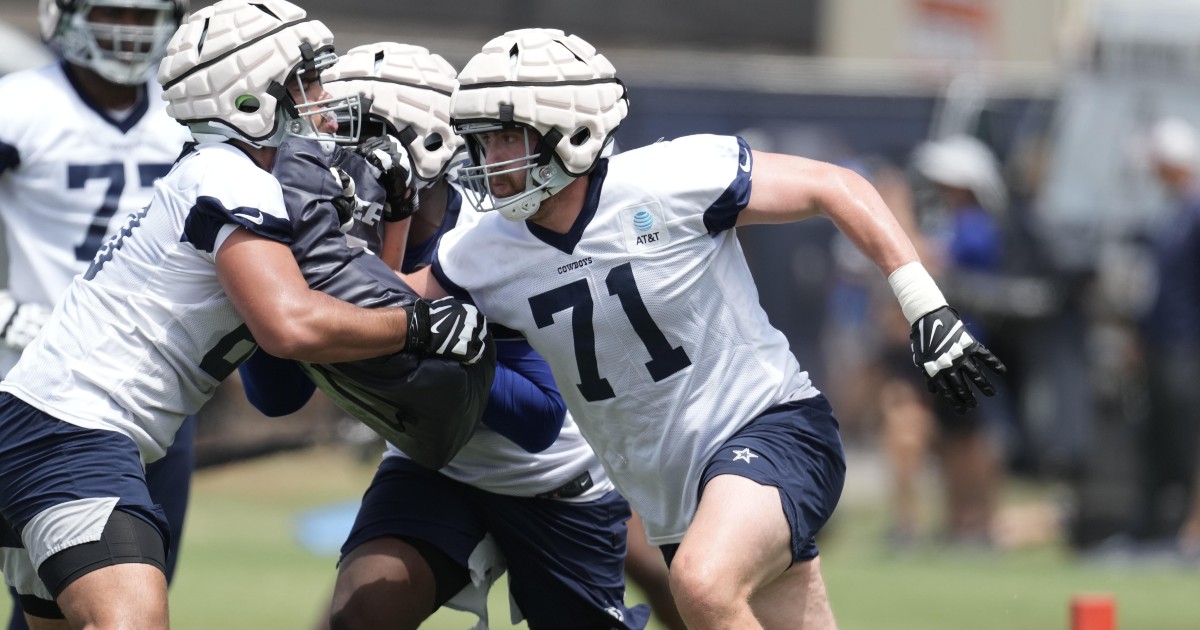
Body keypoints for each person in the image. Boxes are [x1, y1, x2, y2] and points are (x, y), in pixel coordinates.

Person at [402, 28, 1006, 629]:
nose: (492, 163)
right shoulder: (482, 251)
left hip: (772, 428)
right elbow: (386, 314)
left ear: (574, 132)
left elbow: (835, 186)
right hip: (669, 491)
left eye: (507, 137)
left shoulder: (671, 177)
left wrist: (925, 305)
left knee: (703, 584)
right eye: (482, 142)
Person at [0, 1, 488, 627]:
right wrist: (421, 327)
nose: (322, 99)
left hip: (58, 427)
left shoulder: (241, 177)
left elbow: (363, 296)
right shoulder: (231, 177)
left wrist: (393, 218)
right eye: (306, 81)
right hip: (71, 433)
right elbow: (292, 327)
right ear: (251, 99)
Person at [240, 42, 650, 629]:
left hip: (555, 483)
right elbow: (277, 397)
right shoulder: (329, 235)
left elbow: (538, 420)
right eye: (332, 129)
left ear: (428, 143)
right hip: (436, 471)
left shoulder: (492, 236)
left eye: (360, 133)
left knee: (684, 590)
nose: (336, 151)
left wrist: (437, 341)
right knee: (360, 613)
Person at [0, 1, 195, 627]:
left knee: (126, 585)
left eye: (144, 17)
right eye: (113, 12)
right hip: (28, 377)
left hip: (147, 391)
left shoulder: (189, 112)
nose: (127, 32)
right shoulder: (20, 105)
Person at [876, 134, 1010, 548]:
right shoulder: (950, 222)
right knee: (919, 433)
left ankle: (974, 525)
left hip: (958, 350)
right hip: (929, 348)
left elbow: (924, 264)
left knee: (966, 442)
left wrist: (895, 214)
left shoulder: (977, 227)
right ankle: (926, 524)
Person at [1133, 117, 1200, 557]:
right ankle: (1169, 530)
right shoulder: (1177, 210)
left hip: (1187, 343)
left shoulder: (1193, 212)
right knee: (1167, 437)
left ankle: (1193, 536)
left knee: (1192, 439)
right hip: (1166, 343)